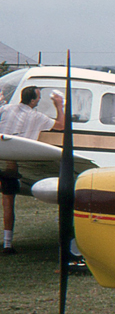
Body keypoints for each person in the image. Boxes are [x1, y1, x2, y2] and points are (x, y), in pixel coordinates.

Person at [0, 86, 66, 254]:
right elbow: (60, 125)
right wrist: (59, 105)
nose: (39, 100)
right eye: (38, 98)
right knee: (8, 202)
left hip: (2, 157)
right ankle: (7, 244)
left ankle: (8, 244)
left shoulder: (6, 109)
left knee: (7, 202)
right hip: (13, 164)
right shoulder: (37, 117)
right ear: (33, 101)